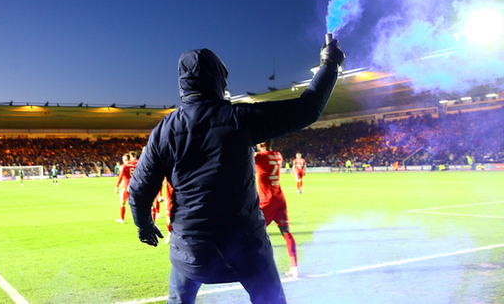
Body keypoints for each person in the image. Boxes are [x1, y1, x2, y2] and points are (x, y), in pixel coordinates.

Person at [129, 40, 345, 304]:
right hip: (245, 247)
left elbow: (139, 189)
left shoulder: (164, 131)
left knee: (179, 297)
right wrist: (329, 65)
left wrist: (144, 224)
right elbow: (307, 109)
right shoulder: (239, 118)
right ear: (218, 79)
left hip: (192, 250)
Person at [255, 141, 298, 277]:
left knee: (254, 234)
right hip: (280, 197)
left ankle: (257, 267)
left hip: (267, 200)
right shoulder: (278, 156)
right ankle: (295, 267)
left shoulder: (258, 158)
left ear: (261, 144)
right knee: (286, 232)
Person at [115, 153, 136, 223]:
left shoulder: (123, 166)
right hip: (135, 186)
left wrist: (116, 186)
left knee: (122, 203)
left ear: (125, 159)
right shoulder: (135, 165)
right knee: (135, 203)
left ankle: (122, 219)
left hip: (126, 186)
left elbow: (120, 176)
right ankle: (137, 219)